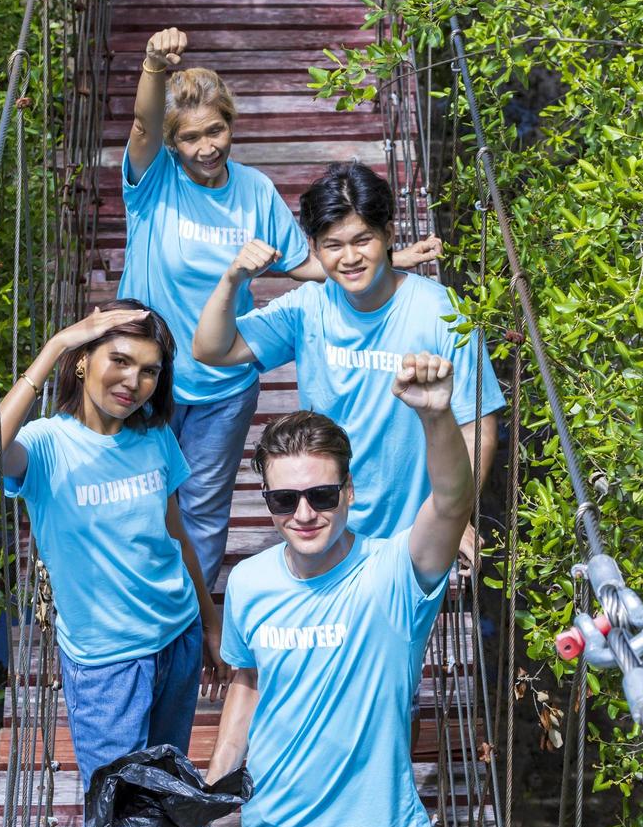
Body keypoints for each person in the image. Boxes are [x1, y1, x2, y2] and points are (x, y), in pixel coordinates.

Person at [121, 29, 442, 591]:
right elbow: (145, 127)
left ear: (232, 125)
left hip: (222, 381)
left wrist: (387, 257)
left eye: (216, 130)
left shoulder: (255, 190)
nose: (206, 147)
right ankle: (143, 604)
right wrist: (152, 65)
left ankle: (196, 614)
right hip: (148, 374)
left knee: (202, 508)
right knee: (138, 497)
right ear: (173, 144)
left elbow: (304, 263)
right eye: (191, 137)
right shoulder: (153, 181)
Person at [187, 355, 475, 827]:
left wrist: (438, 416)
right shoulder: (248, 581)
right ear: (265, 498)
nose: (304, 514)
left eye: (321, 494)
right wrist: (211, 792)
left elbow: (450, 502)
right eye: (283, 500)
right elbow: (248, 683)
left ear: (349, 491)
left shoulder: (397, 571)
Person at [0, 300, 229, 827]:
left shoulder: (154, 437)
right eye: (119, 361)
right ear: (83, 360)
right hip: (108, 667)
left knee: (162, 806)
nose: (133, 382)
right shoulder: (47, 447)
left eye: (148, 371)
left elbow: (176, 531)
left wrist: (207, 621)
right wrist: (57, 340)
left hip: (175, 645)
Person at [192, 160, 504, 571]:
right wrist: (233, 279)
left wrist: (454, 514)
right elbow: (212, 349)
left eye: (363, 240)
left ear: (389, 235)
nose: (350, 258)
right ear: (316, 250)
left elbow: (477, 427)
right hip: (323, 524)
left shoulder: (443, 312)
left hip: (409, 538)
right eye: (333, 245)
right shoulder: (309, 306)